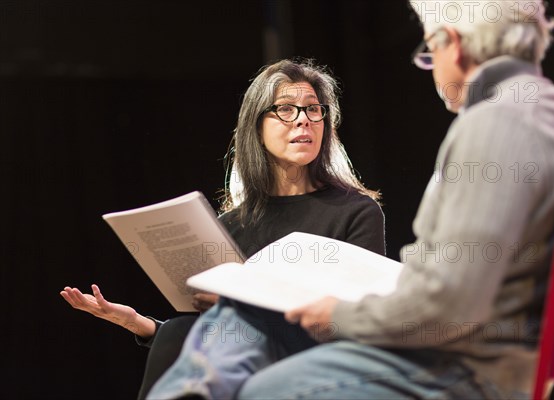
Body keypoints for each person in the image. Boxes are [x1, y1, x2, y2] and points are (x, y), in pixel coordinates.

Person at [235, 2, 554, 399]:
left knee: (266, 388)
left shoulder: (495, 124)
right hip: (498, 361)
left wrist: (339, 315)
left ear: (451, 43)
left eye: (429, 51)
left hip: (467, 370)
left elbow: (447, 305)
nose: (431, 65)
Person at [60, 58, 386, 399]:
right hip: (234, 354)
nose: (303, 119)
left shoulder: (355, 211)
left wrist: (244, 302)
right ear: (256, 128)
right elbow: (210, 334)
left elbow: (352, 321)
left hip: (312, 353)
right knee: (179, 331)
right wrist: (139, 324)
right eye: (286, 109)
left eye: (313, 109)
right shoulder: (231, 224)